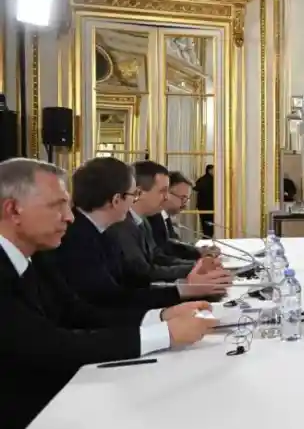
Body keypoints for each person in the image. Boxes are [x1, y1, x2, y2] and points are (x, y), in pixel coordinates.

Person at [0, 158, 216, 429]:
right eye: (57, 205)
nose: (69, 216)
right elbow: (51, 346)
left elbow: (79, 313)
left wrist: (162, 315)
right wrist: (166, 333)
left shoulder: (38, 255)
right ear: (13, 210)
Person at [38, 158, 230, 310]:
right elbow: (108, 302)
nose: (134, 203)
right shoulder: (79, 239)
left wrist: (187, 288)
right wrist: (183, 292)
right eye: (133, 195)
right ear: (116, 200)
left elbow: (131, 284)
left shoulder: (101, 231)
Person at [106, 161, 196, 281]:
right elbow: (142, 273)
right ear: (139, 193)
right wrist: (192, 270)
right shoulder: (121, 224)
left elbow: (157, 257)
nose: (166, 197)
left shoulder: (142, 220)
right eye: (162, 191)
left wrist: (194, 266)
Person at [147, 171, 214, 260]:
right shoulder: (152, 218)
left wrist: (197, 250)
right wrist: (196, 255)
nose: (185, 204)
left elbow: (174, 245)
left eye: (187, 199)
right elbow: (165, 252)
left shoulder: (165, 217)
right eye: (182, 198)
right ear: (166, 193)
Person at [194, 164, 214, 237]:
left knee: (205, 226)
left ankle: (206, 238)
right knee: (210, 227)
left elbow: (195, 188)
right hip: (210, 207)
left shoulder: (201, 179)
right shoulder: (213, 180)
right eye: (213, 170)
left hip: (202, 207)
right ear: (209, 170)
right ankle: (207, 239)